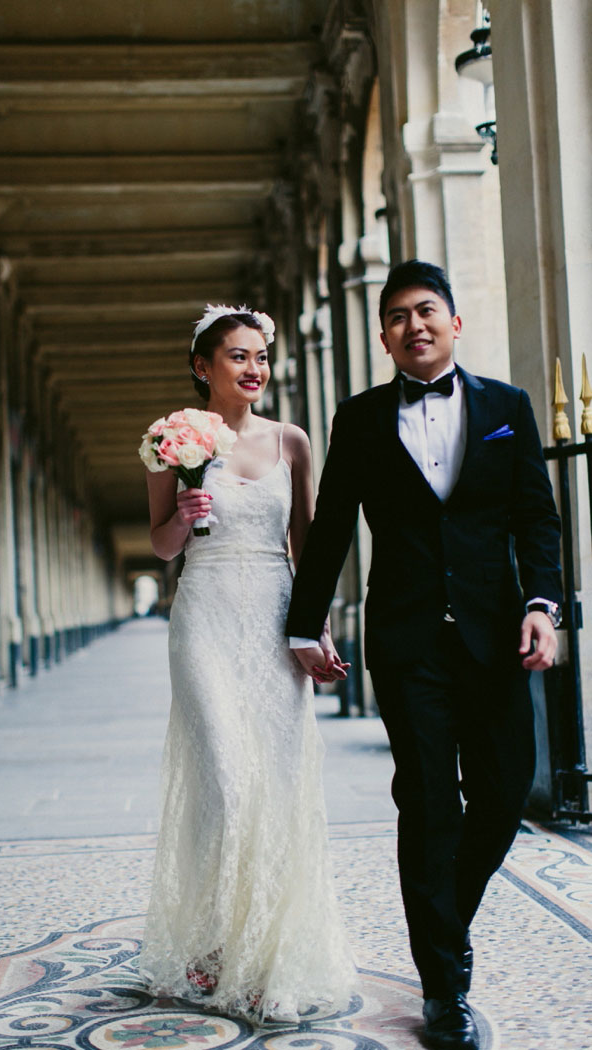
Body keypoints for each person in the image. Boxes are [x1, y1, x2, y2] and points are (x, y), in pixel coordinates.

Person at [286, 261, 563, 1050]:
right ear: (383, 336)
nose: (415, 325)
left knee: (506, 796)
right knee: (431, 808)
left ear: (454, 322)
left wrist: (543, 605)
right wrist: (306, 628)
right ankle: (445, 989)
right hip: (409, 646)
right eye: (399, 315)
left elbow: (535, 522)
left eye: (428, 310)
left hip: (496, 635)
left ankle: (446, 917)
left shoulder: (508, 407)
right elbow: (333, 525)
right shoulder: (361, 418)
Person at [139, 305, 355, 1024]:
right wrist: (184, 506)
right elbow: (164, 547)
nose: (254, 368)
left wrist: (313, 632)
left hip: (271, 617)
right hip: (202, 614)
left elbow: (309, 548)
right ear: (204, 366)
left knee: (278, 783)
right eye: (237, 356)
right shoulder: (172, 438)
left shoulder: (291, 440)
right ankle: (213, 941)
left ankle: (265, 950)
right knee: (226, 779)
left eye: (260, 356)